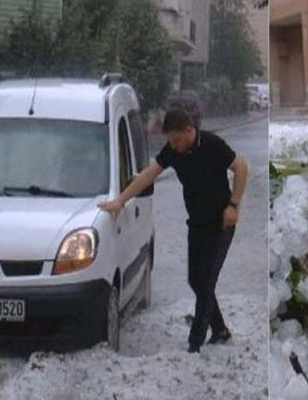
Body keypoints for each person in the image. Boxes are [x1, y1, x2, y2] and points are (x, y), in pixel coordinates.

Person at [98, 108, 248, 353]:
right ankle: (220, 330)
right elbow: (148, 174)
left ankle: (194, 344)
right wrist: (120, 200)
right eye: (171, 141)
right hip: (197, 224)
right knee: (195, 279)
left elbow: (241, 167)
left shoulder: (212, 144)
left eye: (178, 140)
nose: (175, 146)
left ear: (190, 130)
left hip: (222, 224)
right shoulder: (173, 151)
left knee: (206, 282)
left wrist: (233, 205)